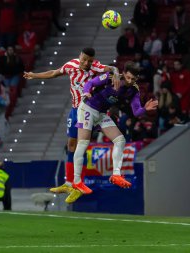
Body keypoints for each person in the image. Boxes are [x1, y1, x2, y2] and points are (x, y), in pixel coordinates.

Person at [23, 48, 121, 203]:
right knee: (71, 145)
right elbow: (54, 73)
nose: (86, 63)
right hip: (75, 110)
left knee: (81, 145)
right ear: (80, 57)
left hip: (90, 110)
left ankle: (78, 184)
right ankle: (69, 183)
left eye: (89, 60)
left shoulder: (95, 67)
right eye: (84, 59)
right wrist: (34, 75)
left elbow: (112, 68)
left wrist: (115, 72)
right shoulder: (71, 65)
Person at [69, 61, 158, 202]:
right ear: (124, 73)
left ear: (137, 78)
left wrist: (145, 109)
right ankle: (77, 182)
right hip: (88, 108)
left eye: (133, 79)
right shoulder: (111, 77)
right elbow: (90, 83)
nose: (129, 81)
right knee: (83, 144)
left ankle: (116, 175)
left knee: (120, 140)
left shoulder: (134, 89)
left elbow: (136, 112)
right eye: (128, 77)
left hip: (102, 114)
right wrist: (86, 92)